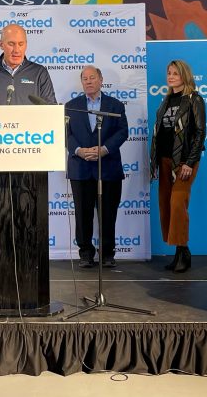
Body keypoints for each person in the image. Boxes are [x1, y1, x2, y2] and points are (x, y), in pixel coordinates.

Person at [0, 23, 57, 315]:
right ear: (1, 44)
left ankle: (30, 291)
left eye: (21, 44)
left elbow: (50, 110)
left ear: (26, 45)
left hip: (30, 167)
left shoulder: (39, 73)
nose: (17, 49)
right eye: (11, 44)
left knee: (27, 225)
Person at [65, 66, 128, 268]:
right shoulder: (71, 106)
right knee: (83, 215)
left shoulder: (115, 105)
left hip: (108, 168)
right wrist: (78, 151)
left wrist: (105, 149)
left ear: (101, 80)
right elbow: (65, 134)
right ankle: (85, 253)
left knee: (108, 214)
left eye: (93, 77)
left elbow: (122, 132)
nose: (89, 81)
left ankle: (107, 254)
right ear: (81, 82)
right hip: (80, 168)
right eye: (85, 78)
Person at [150, 60, 206, 273]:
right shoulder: (166, 100)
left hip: (183, 162)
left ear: (185, 75)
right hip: (164, 160)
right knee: (165, 205)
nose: (171, 76)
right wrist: (155, 161)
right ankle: (179, 252)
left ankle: (183, 250)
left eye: (175, 73)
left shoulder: (194, 99)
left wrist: (190, 162)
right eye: (169, 73)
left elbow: (200, 132)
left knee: (177, 204)